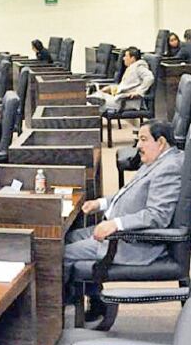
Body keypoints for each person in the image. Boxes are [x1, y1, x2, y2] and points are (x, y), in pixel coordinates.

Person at [64, 121, 184, 320]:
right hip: (121, 234)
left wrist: (115, 224)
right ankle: (97, 302)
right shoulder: (159, 161)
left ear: (161, 142)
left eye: (143, 140)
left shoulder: (169, 169)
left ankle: (60, 312)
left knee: (62, 254)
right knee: (69, 237)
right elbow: (128, 193)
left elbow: (157, 216)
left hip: (134, 243)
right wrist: (100, 203)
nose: (138, 146)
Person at [87, 46, 154, 113]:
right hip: (119, 98)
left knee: (94, 105)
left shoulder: (139, 67)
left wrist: (139, 92)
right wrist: (111, 88)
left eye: (125, 56)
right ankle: (94, 98)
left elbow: (149, 77)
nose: (123, 58)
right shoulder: (131, 68)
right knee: (96, 99)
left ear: (132, 58)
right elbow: (126, 86)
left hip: (126, 101)